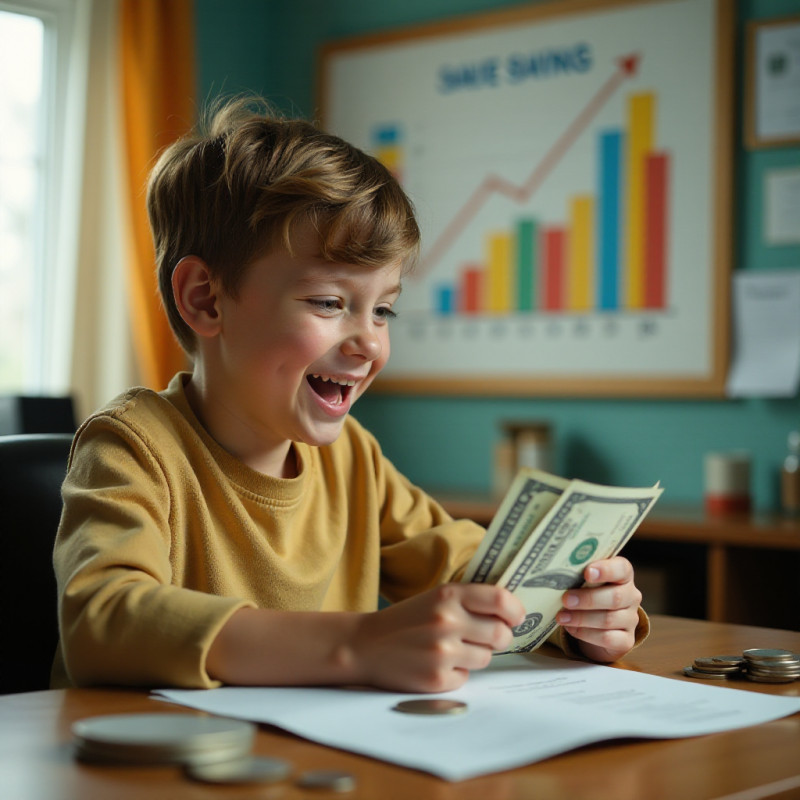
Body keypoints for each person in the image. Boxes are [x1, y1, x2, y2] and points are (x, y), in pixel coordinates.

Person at [52, 98, 647, 692]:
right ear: (206, 298)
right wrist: (356, 645)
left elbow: (481, 576)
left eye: (384, 309)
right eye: (330, 303)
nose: (369, 343)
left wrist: (583, 612)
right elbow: (102, 621)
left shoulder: (352, 457)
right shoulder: (132, 446)